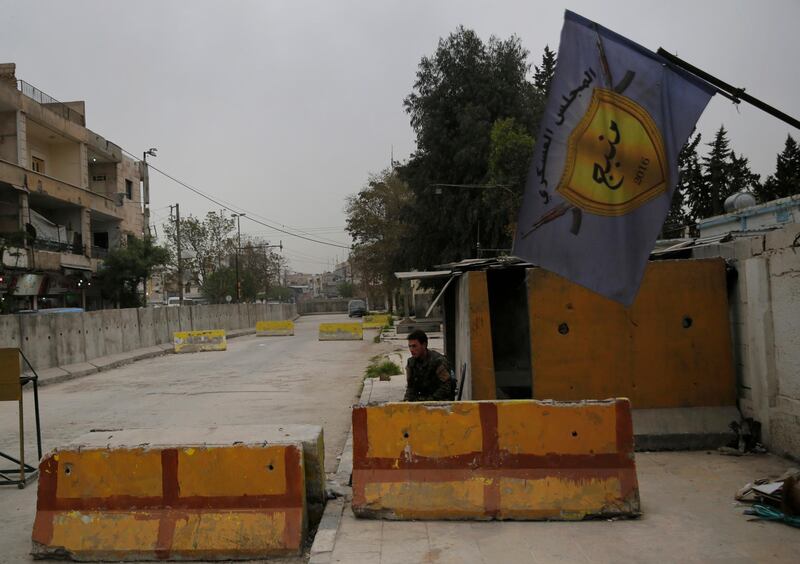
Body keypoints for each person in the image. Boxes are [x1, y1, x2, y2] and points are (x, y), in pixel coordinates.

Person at [403, 329, 455, 401]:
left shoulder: (438, 361)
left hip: (441, 402)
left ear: (424, 345)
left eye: (414, 346)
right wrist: (406, 401)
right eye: (410, 346)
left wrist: (428, 400)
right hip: (424, 400)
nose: (411, 349)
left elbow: (446, 387)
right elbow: (411, 387)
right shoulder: (411, 363)